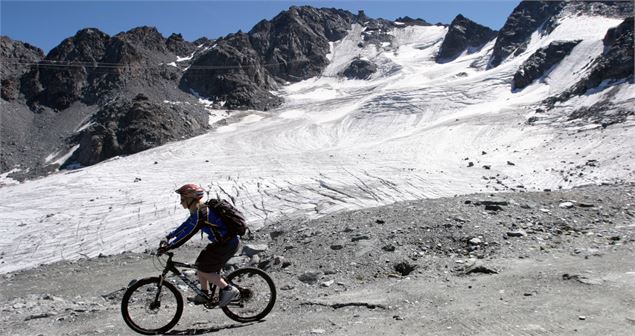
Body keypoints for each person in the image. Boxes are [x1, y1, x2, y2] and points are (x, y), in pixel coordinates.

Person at [158, 183, 240, 306]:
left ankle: (228, 290)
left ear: (191, 199)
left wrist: (170, 246)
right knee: (200, 265)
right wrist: (169, 237)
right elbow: (185, 226)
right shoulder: (198, 212)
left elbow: (188, 233)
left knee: (205, 270)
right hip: (222, 243)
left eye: (183, 199)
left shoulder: (202, 213)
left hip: (227, 244)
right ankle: (204, 294)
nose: (181, 203)